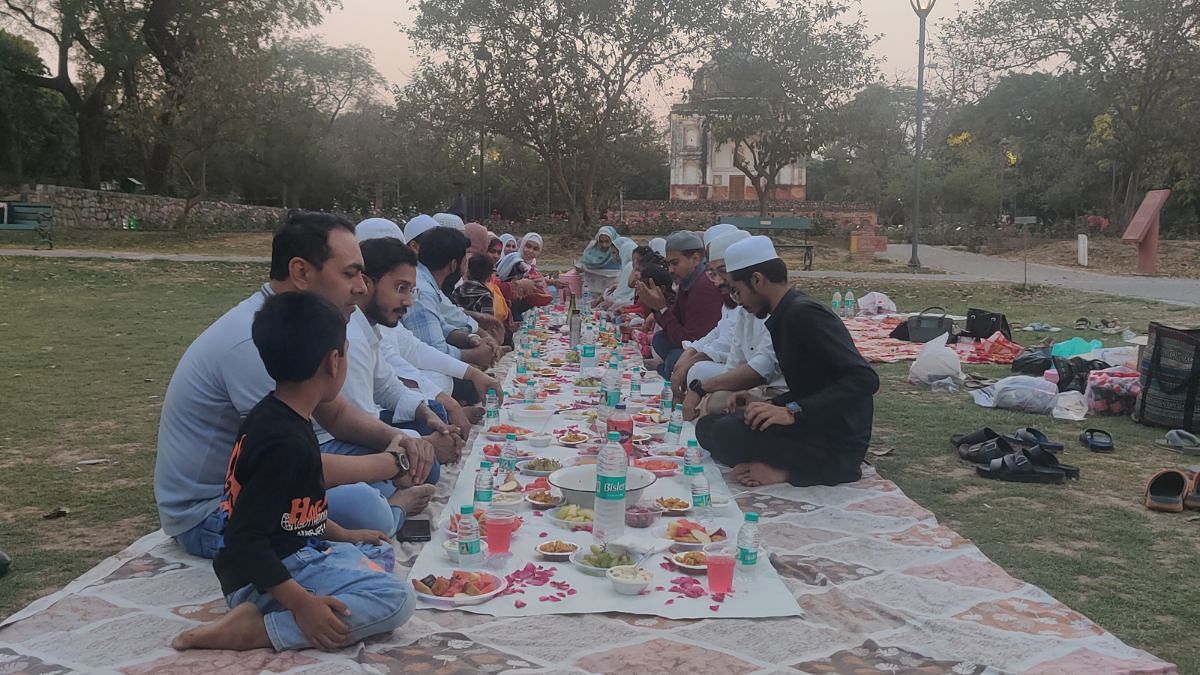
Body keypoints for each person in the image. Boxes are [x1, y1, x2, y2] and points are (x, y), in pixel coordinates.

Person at [155, 212, 436, 559]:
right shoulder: (255, 341)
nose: (362, 288)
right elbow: (289, 464)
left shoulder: (299, 322)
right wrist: (392, 464)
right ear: (301, 272)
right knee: (367, 507)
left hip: (276, 476)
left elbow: (334, 413)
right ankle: (392, 511)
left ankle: (388, 500)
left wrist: (400, 442)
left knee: (423, 461)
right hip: (216, 511)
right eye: (349, 274)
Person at [171, 292, 414, 653]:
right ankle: (260, 630)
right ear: (334, 362)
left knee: (373, 552)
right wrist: (302, 605)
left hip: (293, 553)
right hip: (262, 577)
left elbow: (294, 511)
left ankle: (285, 604)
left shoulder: (276, 415)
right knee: (397, 599)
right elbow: (245, 539)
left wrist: (344, 535)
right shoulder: (285, 443)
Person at [695, 236, 880, 488]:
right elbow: (813, 384)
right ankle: (780, 460)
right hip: (812, 423)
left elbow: (864, 379)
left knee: (727, 433)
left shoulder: (804, 314)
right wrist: (769, 404)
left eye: (737, 291)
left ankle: (787, 471)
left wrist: (793, 411)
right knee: (709, 427)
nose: (738, 301)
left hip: (836, 437)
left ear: (757, 280)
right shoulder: (783, 315)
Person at [355, 219, 495, 421]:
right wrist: (416, 437)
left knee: (438, 398)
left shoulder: (376, 321)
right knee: (437, 398)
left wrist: (471, 371)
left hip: (380, 406)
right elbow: (355, 416)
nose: (409, 301)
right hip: (349, 431)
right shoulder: (349, 327)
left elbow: (413, 349)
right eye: (400, 288)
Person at [675, 230, 786, 420]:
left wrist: (702, 389)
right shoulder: (744, 307)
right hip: (763, 393)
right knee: (713, 414)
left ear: (756, 279)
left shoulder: (790, 312)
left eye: (724, 272)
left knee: (715, 407)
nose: (718, 282)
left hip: (788, 402)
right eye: (712, 274)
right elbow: (733, 360)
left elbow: (762, 368)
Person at [402, 227, 498, 370]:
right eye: (466, 260)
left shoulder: (427, 282)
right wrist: (474, 355)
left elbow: (442, 323)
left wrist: (472, 339)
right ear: (454, 265)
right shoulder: (421, 292)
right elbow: (434, 352)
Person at [638, 230, 723, 378]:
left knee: (675, 358)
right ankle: (666, 370)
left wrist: (662, 309)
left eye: (675, 263)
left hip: (708, 352)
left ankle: (666, 371)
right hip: (692, 345)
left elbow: (687, 339)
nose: (670, 270)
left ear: (695, 259)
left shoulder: (704, 286)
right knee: (660, 340)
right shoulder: (687, 281)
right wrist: (657, 308)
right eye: (668, 264)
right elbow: (674, 322)